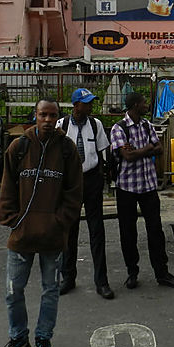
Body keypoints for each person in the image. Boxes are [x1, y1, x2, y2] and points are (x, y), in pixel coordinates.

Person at [0, 99, 83, 347]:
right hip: (21, 235)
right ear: (35, 115)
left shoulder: (67, 150)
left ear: (58, 118)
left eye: (52, 116)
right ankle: (18, 339)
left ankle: (43, 338)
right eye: (42, 114)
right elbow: (7, 186)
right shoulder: (19, 147)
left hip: (52, 237)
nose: (47, 120)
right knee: (13, 291)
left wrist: (60, 222)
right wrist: (11, 220)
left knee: (51, 290)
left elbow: (74, 193)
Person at [110, 92, 174, 290]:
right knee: (128, 231)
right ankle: (132, 272)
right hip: (126, 187)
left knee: (155, 231)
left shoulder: (146, 125)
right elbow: (127, 156)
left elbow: (158, 149)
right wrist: (145, 150)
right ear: (134, 105)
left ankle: (162, 272)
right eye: (143, 102)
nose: (146, 105)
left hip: (148, 186)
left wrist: (137, 151)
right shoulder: (119, 128)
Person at [58, 88, 114, 300]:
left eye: (91, 103)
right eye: (87, 103)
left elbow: (102, 153)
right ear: (76, 106)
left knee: (97, 231)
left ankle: (102, 281)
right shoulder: (61, 126)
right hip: (70, 183)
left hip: (91, 180)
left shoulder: (95, 124)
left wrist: (103, 179)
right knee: (69, 232)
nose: (90, 107)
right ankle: (68, 278)